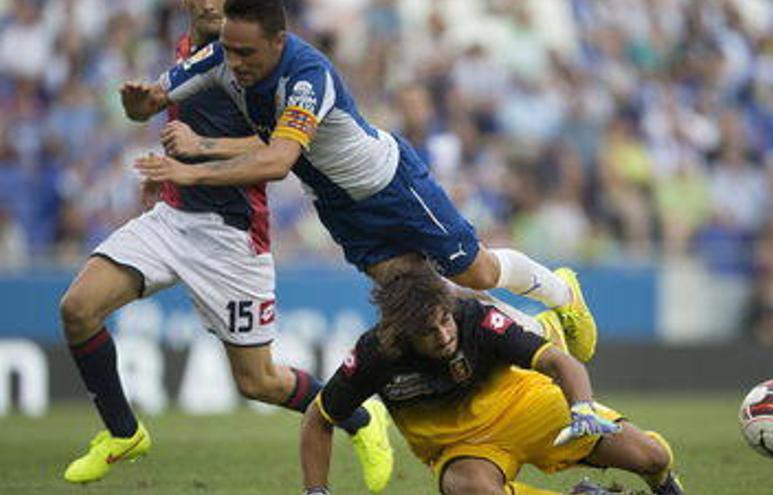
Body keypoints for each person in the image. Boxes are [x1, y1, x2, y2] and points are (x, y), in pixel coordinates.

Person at [122, 0, 598, 364]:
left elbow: (277, 161)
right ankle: (538, 334)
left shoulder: (308, 77)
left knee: (475, 272)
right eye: (229, 50)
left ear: (278, 43)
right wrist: (139, 102)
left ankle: (561, 293)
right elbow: (152, 100)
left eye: (246, 53)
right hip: (339, 207)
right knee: (422, 299)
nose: (236, 63)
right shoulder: (220, 59)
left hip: (392, 187)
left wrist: (191, 168)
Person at [59, 1, 393, 491]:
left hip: (231, 232)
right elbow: (164, 120)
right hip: (172, 218)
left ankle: (360, 419)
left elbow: (281, 149)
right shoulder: (186, 53)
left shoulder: (251, 62)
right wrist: (163, 159)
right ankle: (123, 434)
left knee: (259, 382)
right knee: (77, 309)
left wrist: (198, 152)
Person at [300, 264, 685, 495]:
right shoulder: (375, 355)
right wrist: (316, 491)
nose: (445, 335)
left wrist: (581, 408)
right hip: (463, 448)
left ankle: (665, 485)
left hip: (531, 409)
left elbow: (559, 362)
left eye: (445, 321)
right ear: (404, 334)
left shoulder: (476, 319)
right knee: (469, 489)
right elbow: (319, 419)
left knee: (652, 456)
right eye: (429, 333)